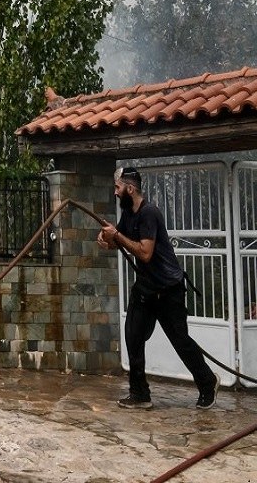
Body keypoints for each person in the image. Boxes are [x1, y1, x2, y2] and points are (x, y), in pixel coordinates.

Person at [97, 166, 218, 409]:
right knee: (133, 336)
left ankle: (207, 382)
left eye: (118, 188)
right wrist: (107, 239)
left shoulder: (149, 213)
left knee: (180, 341)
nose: (115, 193)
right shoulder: (129, 212)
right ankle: (140, 393)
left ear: (130, 189)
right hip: (145, 288)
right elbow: (122, 240)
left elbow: (144, 252)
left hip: (168, 290)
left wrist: (117, 237)